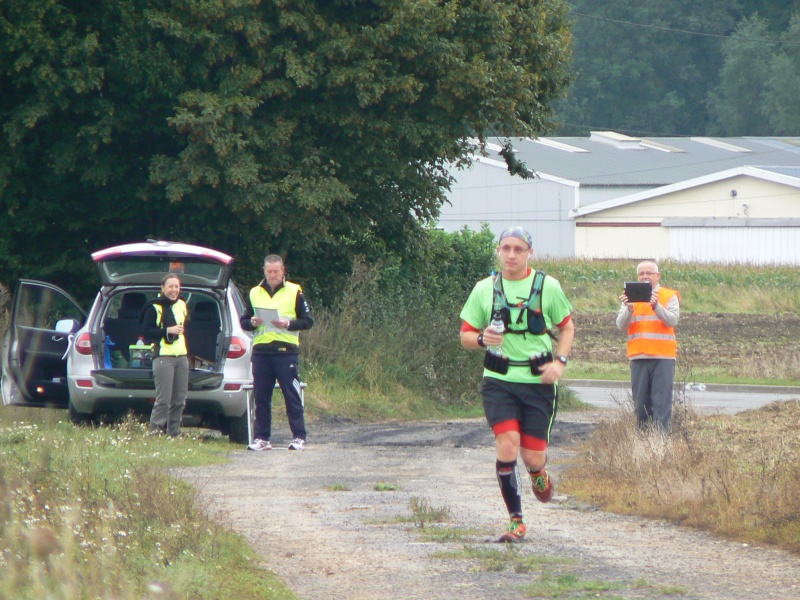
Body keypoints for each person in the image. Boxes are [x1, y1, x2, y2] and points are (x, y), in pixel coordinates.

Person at [459, 227, 575, 543]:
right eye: (506, 248)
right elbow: (466, 335)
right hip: (499, 379)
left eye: (518, 249)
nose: (511, 255)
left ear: (529, 253)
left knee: (532, 457)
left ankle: (539, 475)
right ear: (498, 251)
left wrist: (559, 362)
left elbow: (567, 328)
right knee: (507, 443)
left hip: (538, 380)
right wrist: (482, 338)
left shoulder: (547, 287)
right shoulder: (485, 289)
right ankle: (516, 521)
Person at [241, 254, 313, 451]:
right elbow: (244, 320)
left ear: (283, 271)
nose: (272, 275)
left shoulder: (294, 291)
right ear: (264, 271)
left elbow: (307, 321)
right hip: (262, 351)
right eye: (269, 271)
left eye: (276, 271)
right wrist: (252, 322)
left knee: (291, 395)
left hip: (286, 351)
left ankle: (299, 436)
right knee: (262, 397)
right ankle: (262, 438)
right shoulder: (255, 292)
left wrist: (288, 323)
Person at [616, 260, 680, 433]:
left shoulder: (668, 295)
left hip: (663, 358)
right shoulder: (630, 297)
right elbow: (621, 326)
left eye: (649, 273)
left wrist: (656, 306)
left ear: (657, 276)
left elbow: (673, 320)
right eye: (641, 273)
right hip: (639, 357)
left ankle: (661, 444)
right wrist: (628, 309)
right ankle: (643, 446)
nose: (645, 276)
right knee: (641, 406)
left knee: (661, 406)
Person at [141, 273, 189, 436]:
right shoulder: (154, 307)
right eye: (170, 286)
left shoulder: (182, 304)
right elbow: (146, 331)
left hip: (181, 356)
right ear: (163, 288)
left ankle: (174, 432)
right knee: (163, 400)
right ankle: (155, 432)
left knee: (179, 399)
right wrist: (166, 331)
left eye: (176, 286)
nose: (174, 290)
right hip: (163, 358)